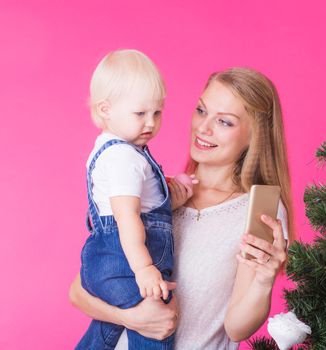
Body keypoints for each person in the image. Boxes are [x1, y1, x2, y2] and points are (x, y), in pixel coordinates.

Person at [70, 67, 294, 349]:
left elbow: (236, 329)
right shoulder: (159, 196)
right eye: (201, 110)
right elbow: (79, 291)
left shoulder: (256, 213)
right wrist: (133, 319)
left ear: (254, 136)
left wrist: (264, 280)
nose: (204, 127)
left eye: (224, 122)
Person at [76, 49, 194, 349]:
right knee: (156, 324)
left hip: (109, 262)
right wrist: (144, 268)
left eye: (157, 113)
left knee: (113, 329)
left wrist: (172, 194)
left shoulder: (116, 150)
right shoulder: (123, 158)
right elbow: (127, 216)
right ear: (106, 109)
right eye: (140, 113)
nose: (151, 123)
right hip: (125, 264)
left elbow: (144, 205)